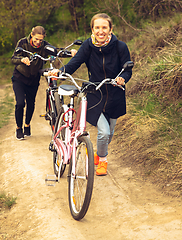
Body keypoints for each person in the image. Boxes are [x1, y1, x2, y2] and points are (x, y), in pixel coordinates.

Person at [49, 13, 132, 176]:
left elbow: (127, 69)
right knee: (104, 132)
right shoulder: (88, 45)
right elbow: (75, 62)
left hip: (115, 94)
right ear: (92, 29)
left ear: (110, 29)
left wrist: (123, 78)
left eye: (104, 28)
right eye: (97, 28)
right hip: (94, 93)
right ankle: (102, 160)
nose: (101, 31)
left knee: (110, 132)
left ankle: (98, 153)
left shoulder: (120, 47)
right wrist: (60, 72)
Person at [11, 26, 76, 140]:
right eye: (36, 39)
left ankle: (27, 125)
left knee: (31, 103)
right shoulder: (22, 43)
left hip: (33, 78)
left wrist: (70, 53)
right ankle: (18, 128)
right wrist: (21, 59)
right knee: (20, 103)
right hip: (19, 78)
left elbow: (56, 51)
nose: (38, 42)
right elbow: (14, 58)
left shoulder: (44, 46)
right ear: (32, 35)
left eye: (40, 40)